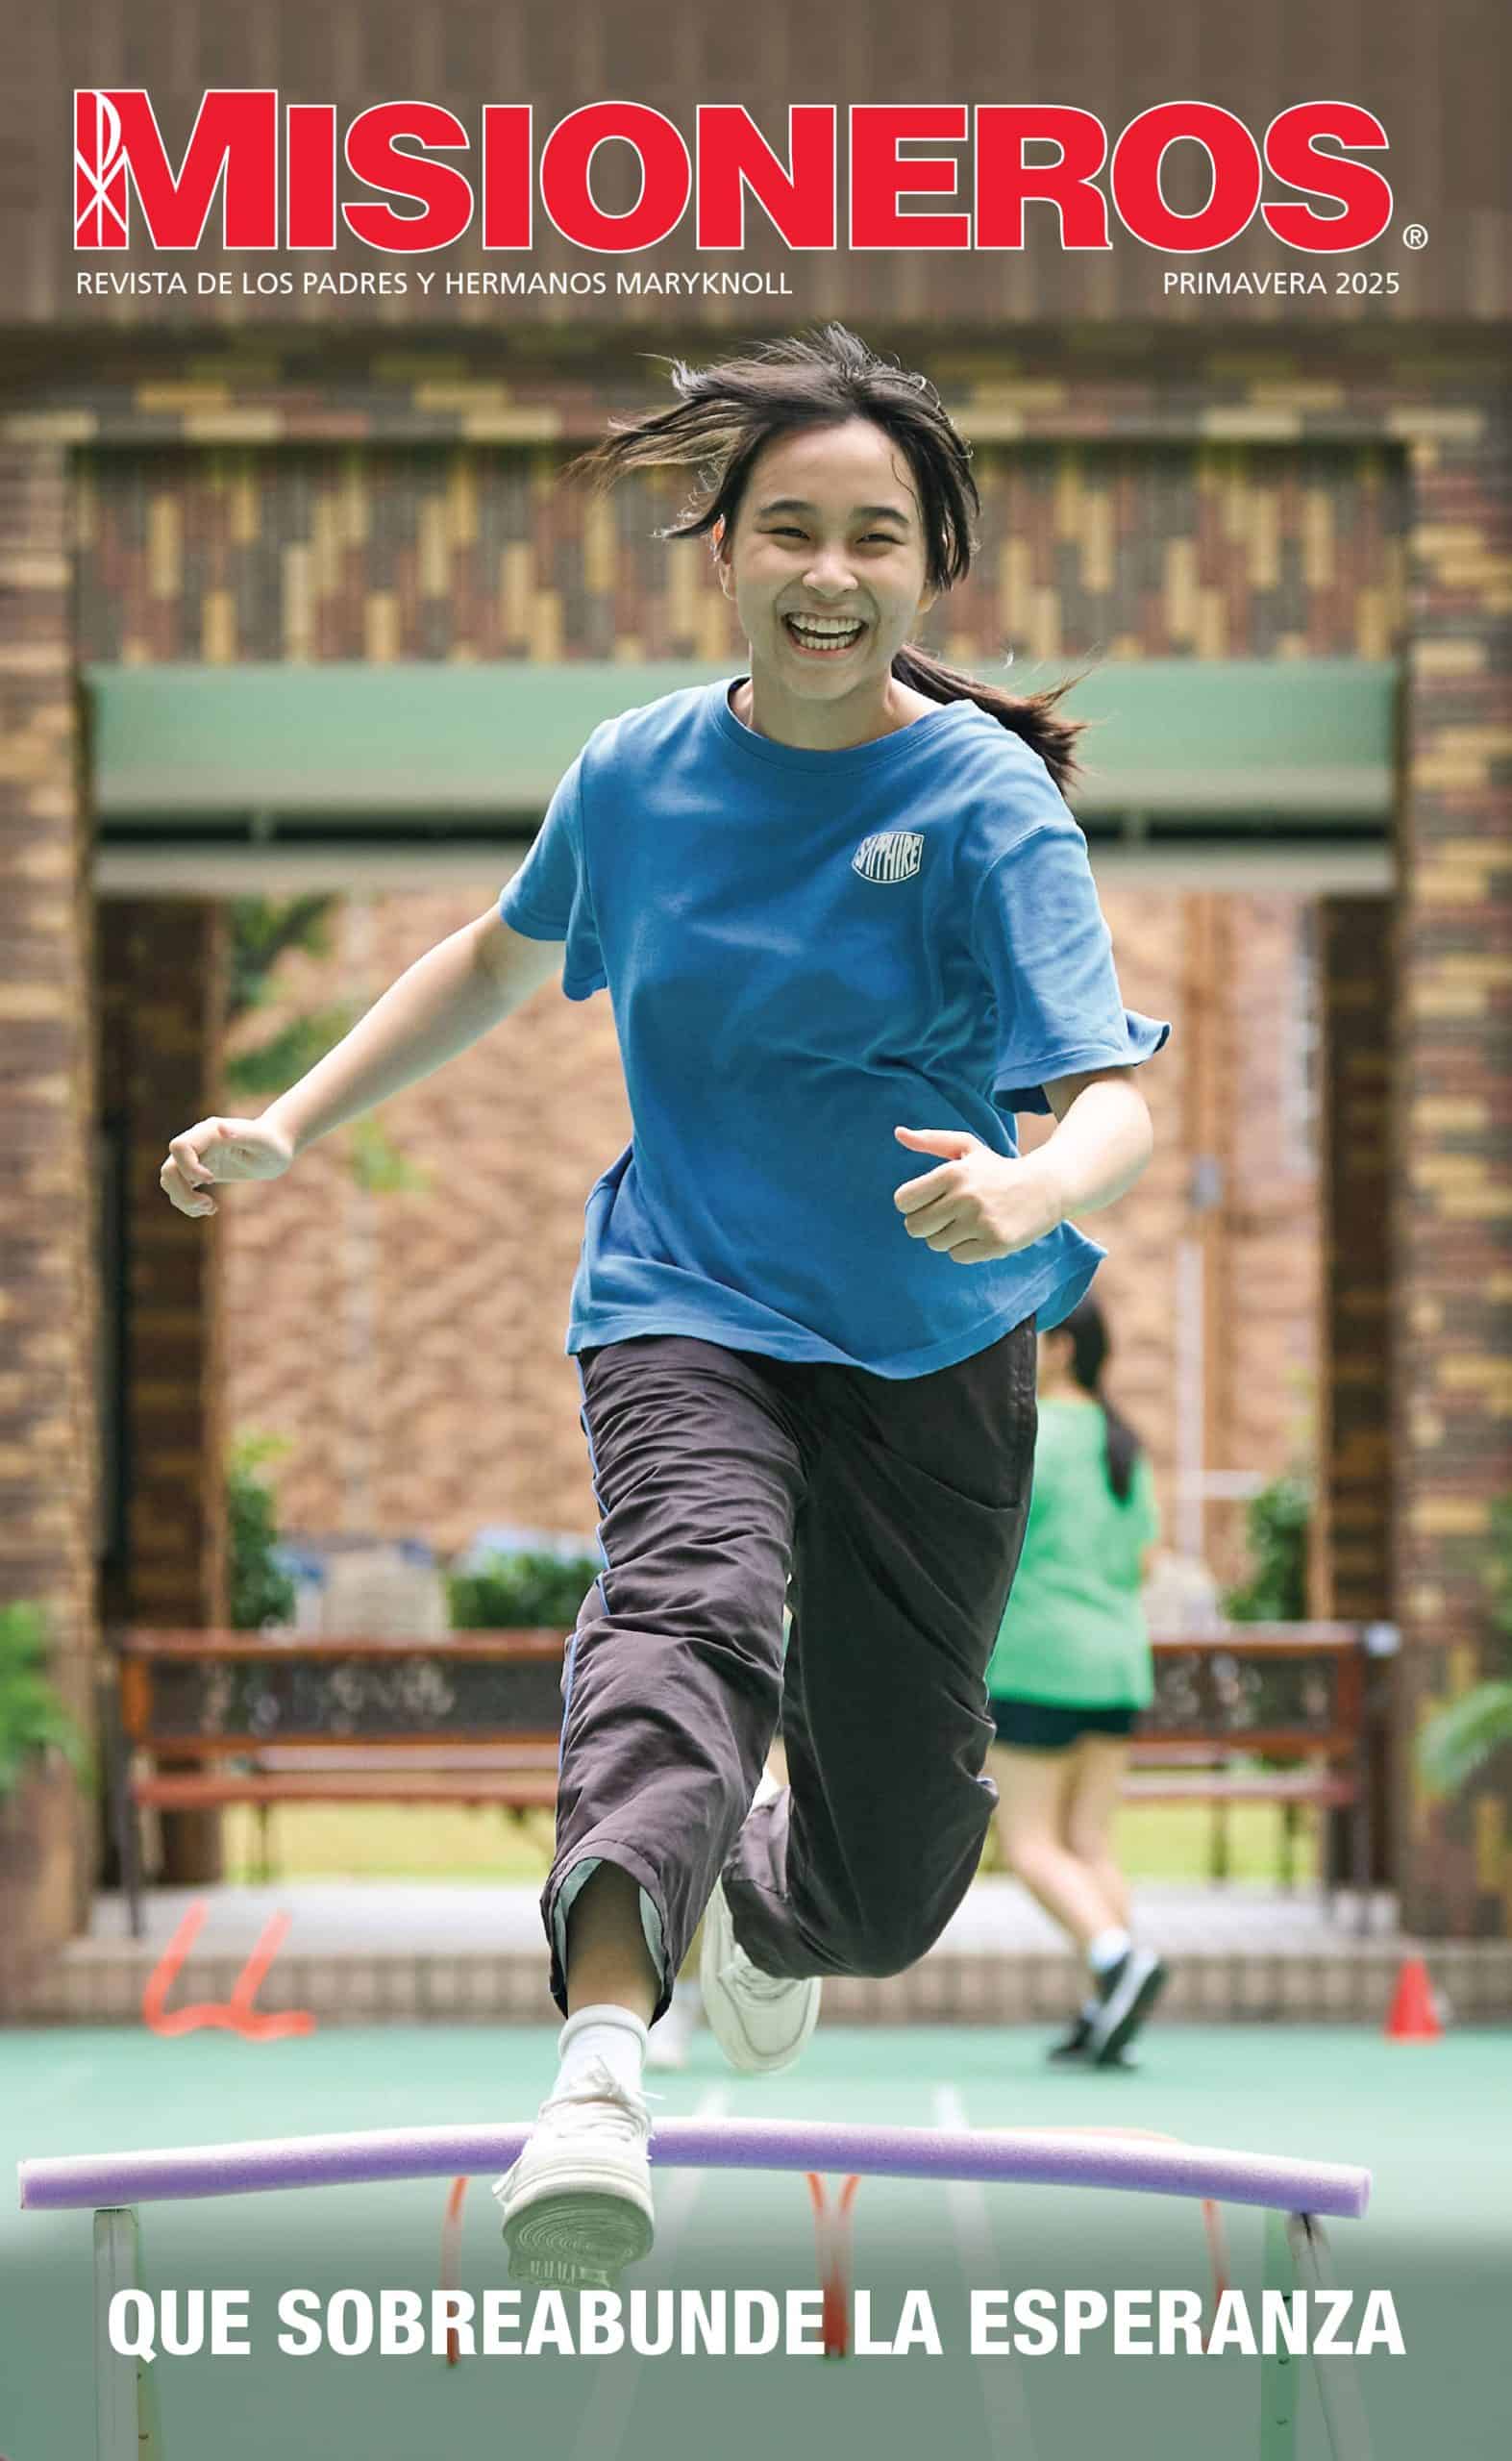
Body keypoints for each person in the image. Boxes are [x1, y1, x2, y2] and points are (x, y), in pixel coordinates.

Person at [159, 324, 1168, 2291]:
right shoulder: (637, 771)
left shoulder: (979, 801)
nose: (828, 570)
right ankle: (601, 2063)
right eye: (787, 525)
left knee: (883, 1885)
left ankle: (768, 1922)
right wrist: (286, 1122)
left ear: (925, 572)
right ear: (722, 547)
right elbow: (488, 951)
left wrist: (1031, 1182)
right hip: (683, 1297)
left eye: (874, 536)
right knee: (683, 1599)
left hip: (936, 1342)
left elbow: (1110, 1090)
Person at [985, 1299, 1167, 2067]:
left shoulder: (1032, 1434)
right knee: (1087, 1842)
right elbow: (1145, 1561)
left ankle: (1116, 1960)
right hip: (1118, 1663)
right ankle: (1108, 2008)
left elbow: (989, 1544)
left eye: (1027, 1337)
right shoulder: (1121, 1440)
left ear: (1060, 1349)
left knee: (1027, 1845)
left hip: (1039, 1660)